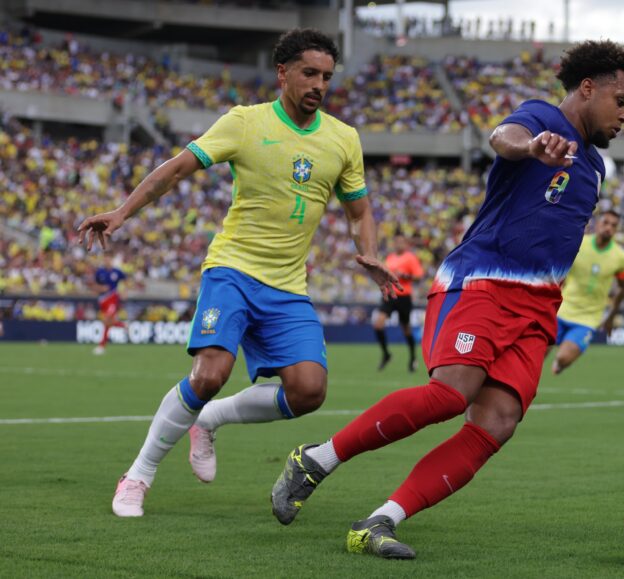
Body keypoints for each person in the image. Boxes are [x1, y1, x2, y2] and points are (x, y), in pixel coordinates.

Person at [270, 40, 624, 559]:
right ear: (588, 88)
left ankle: (381, 520)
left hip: (538, 310)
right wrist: (532, 146)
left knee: (498, 422)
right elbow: (503, 137)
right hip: (482, 283)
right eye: (621, 100)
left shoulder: (596, 168)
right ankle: (317, 459)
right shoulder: (539, 119)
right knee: (450, 394)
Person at [77, 28, 399, 517]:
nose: (318, 84)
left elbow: (358, 211)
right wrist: (122, 213)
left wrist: (371, 254)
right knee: (210, 373)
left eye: (327, 77)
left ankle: (208, 422)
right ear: (283, 73)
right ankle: (138, 475)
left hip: (288, 285)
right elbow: (177, 168)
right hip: (232, 269)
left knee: (309, 390)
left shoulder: (343, 139)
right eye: (309, 73)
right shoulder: (245, 123)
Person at [551, 210, 624, 374]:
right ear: (597, 223)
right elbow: (558, 270)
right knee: (536, 354)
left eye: (613, 225)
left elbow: (623, 286)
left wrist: (611, 316)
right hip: (561, 310)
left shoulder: (620, 257)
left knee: (564, 358)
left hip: (588, 318)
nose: (608, 228)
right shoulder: (579, 243)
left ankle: (560, 363)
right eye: (605, 222)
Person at [373, 234, 425, 372]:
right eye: (397, 242)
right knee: (378, 325)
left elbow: (419, 275)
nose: (399, 244)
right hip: (390, 295)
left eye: (402, 242)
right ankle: (386, 354)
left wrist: (405, 276)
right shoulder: (390, 258)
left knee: (406, 329)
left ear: (406, 244)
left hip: (404, 296)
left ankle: (413, 358)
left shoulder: (410, 258)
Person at [90, 253, 127, 355]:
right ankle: (123, 325)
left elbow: (125, 281)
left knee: (106, 320)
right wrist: (100, 288)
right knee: (108, 323)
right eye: (105, 259)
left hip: (113, 298)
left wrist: (124, 292)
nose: (107, 261)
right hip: (103, 300)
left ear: (111, 260)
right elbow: (94, 286)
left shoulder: (117, 272)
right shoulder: (99, 272)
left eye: (109, 259)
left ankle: (101, 346)